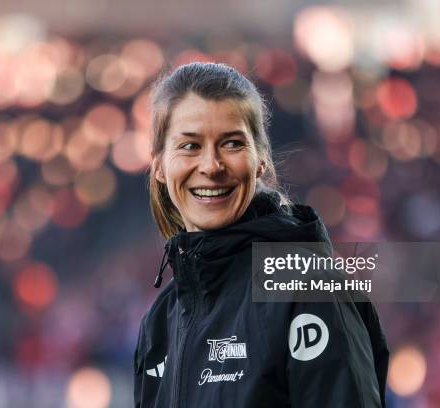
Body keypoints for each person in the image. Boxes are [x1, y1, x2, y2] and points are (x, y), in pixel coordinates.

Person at [134, 62, 389, 407]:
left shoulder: (304, 286)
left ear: (260, 160)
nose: (211, 166)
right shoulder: (160, 321)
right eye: (190, 146)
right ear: (160, 165)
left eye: (231, 143)